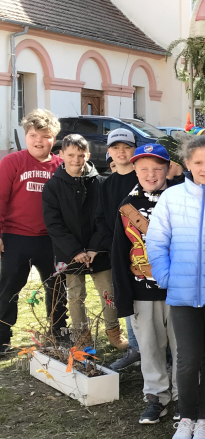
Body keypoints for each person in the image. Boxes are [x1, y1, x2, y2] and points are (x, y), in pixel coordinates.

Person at [147, 134, 205, 439]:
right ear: (187, 164)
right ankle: (186, 417)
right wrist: (165, 276)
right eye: (199, 162)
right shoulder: (172, 197)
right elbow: (157, 240)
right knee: (187, 358)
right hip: (182, 294)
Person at [110, 143, 183, 424]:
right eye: (143, 169)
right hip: (142, 289)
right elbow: (119, 252)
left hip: (179, 289)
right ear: (135, 171)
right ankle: (156, 395)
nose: (150, 174)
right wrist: (123, 298)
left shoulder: (180, 199)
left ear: (168, 169)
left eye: (157, 168)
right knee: (150, 347)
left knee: (182, 346)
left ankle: (183, 394)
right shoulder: (127, 206)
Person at [41, 134, 118, 346]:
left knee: (108, 292)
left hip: (99, 250)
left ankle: (114, 331)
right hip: (69, 252)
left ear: (88, 155)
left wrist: (95, 247)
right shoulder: (52, 187)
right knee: (75, 296)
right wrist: (75, 251)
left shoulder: (101, 183)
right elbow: (54, 224)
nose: (76, 160)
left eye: (81, 155)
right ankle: (81, 335)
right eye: (71, 155)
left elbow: (106, 218)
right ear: (61, 155)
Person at [0, 109, 66, 352]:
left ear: (54, 138)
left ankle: (59, 334)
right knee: (8, 289)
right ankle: (2, 338)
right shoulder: (12, 162)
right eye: (33, 135)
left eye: (45, 136)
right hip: (15, 237)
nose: (38, 141)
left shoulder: (61, 166)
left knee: (58, 288)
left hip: (51, 240)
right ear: (25, 136)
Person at [86, 127, 144, 353]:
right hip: (118, 252)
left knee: (148, 299)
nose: (121, 152)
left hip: (144, 251)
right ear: (109, 151)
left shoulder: (143, 178)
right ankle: (135, 348)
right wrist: (113, 245)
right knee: (125, 296)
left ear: (134, 149)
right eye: (116, 147)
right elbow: (100, 218)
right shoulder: (106, 184)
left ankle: (156, 348)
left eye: (126, 147)